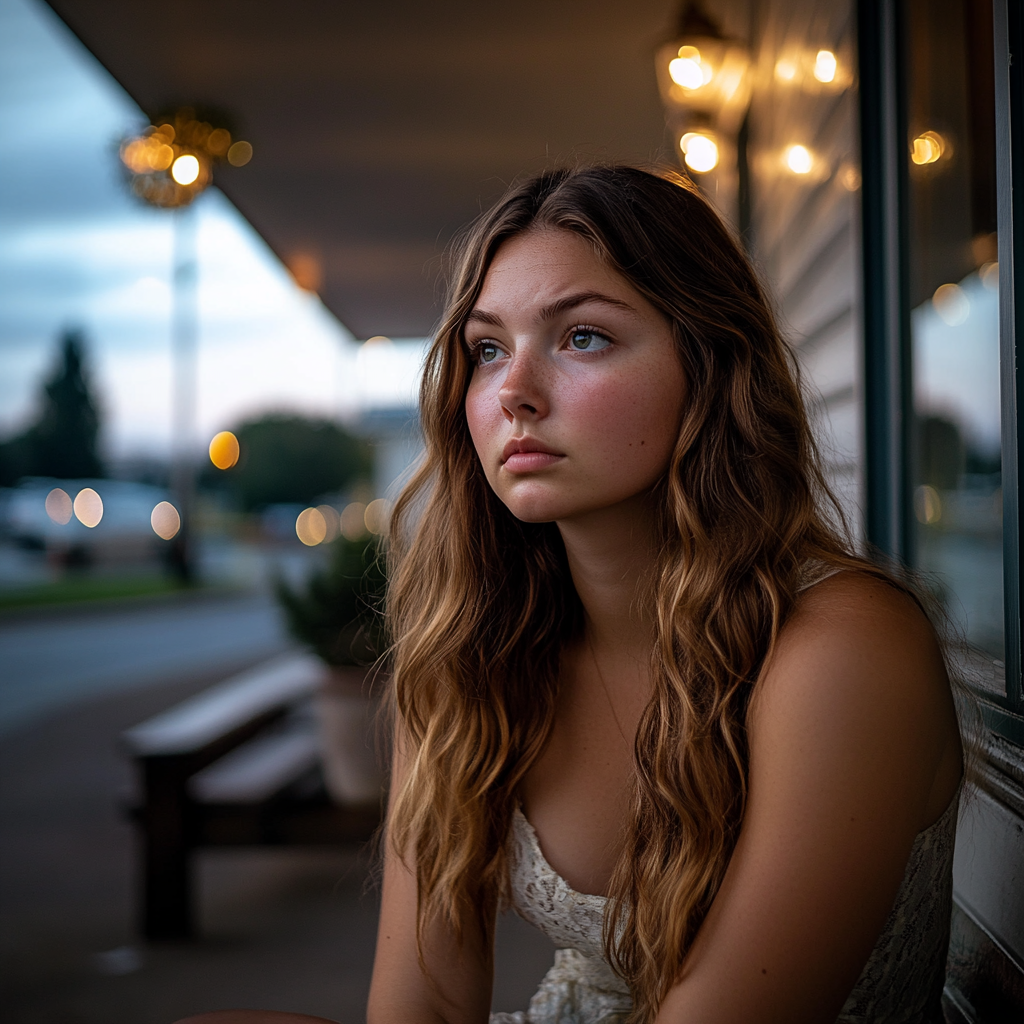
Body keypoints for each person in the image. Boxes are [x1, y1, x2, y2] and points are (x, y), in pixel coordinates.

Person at [179, 165, 963, 1024]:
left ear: (709, 364)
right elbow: (425, 1008)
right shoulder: (472, 652)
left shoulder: (843, 649)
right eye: (487, 349)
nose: (513, 392)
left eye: (582, 336)